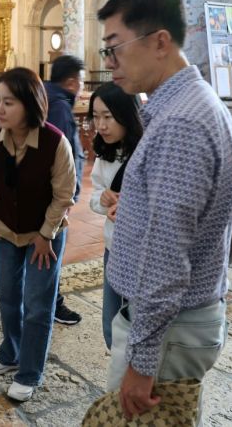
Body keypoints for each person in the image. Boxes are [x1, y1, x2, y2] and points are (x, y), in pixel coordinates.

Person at [97, 0, 232, 421]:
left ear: (159, 42)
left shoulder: (181, 123)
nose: (109, 63)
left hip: (169, 329)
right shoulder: (187, 106)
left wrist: (141, 363)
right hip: (178, 322)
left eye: (115, 48)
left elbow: (166, 256)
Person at [0, 67, 76, 402]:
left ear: (30, 105)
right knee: (6, 296)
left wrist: (46, 235)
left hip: (44, 233)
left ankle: (30, 372)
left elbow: (65, 194)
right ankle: (10, 352)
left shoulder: (54, 141)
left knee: (37, 304)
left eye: (9, 103)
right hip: (6, 228)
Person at [86, 82, 143, 350]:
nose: (101, 125)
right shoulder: (105, 154)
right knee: (111, 322)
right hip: (113, 247)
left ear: (126, 114)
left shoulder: (146, 152)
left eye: (108, 116)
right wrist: (103, 198)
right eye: (96, 117)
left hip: (141, 252)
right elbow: (94, 195)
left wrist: (131, 209)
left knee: (137, 322)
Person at [45, 54, 86, 326]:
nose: (82, 86)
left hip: (48, 192)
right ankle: (53, 305)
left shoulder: (47, 97)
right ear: (72, 82)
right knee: (51, 252)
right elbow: (61, 153)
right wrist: (66, 194)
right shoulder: (58, 106)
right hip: (54, 195)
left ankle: (43, 299)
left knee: (44, 250)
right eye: (81, 81)